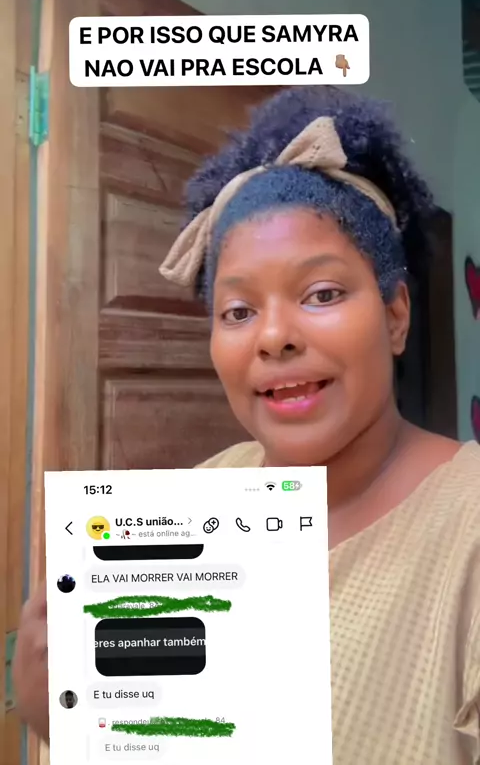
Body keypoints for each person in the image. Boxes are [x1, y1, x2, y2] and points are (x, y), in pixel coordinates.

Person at [13, 86, 480, 762]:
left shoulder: (468, 525)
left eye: (321, 293)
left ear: (396, 316)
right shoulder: (203, 493)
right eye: (237, 312)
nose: (273, 337)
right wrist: (67, 719)